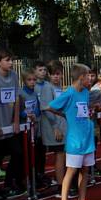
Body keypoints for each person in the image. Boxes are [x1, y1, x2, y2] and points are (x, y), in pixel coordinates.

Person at [50, 63, 98, 200]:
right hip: (75, 140)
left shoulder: (85, 92)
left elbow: (81, 110)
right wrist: (64, 115)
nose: (91, 79)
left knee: (85, 170)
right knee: (71, 170)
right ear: (81, 77)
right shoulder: (69, 93)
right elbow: (51, 106)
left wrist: (89, 113)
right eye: (88, 76)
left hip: (87, 137)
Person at [0, 49, 25, 198]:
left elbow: (16, 98)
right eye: (7, 60)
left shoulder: (14, 75)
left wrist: (15, 120)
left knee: (17, 153)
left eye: (11, 60)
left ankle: (9, 182)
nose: (11, 63)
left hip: (10, 123)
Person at [39, 60, 67, 188]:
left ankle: (64, 181)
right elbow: (46, 108)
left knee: (64, 153)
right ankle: (61, 184)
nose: (56, 76)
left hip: (62, 125)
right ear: (49, 75)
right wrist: (56, 127)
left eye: (58, 74)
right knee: (60, 154)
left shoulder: (59, 87)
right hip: (53, 126)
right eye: (53, 74)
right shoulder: (47, 87)